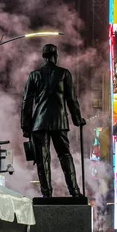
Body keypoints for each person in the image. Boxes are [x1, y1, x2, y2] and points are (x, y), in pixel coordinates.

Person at [21, 43, 86, 197]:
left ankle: (47, 193)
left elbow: (26, 103)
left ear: (43, 57)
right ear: (55, 56)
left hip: (39, 123)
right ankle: (75, 192)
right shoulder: (64, 74)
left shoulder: (34, 75)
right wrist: (77, 119)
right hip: (59, 122)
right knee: (65, 155)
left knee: (42, 159)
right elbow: (71, 99)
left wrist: (25, 126)